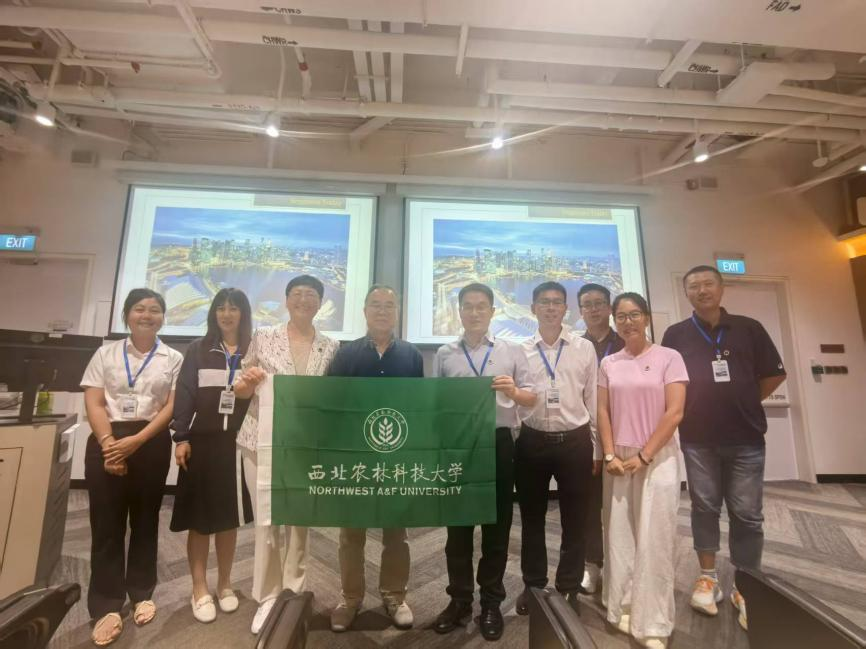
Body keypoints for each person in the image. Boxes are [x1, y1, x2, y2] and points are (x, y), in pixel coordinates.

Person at [661, 265, 786, 631]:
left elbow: (774, 373)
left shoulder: (749, 328)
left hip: (746, 437)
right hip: (697, 438)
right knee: (704, 507)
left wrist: (745, 400)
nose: (702, 291)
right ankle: (708, 578)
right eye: (694, 286)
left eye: (708, 284)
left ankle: (746, 585)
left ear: (721, 288)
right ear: (686, 293)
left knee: (747, 514)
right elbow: (669, 382)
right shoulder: (676, 334)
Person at [233, 275, 340, 634]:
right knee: (266, 519)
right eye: (297, 293)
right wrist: (247, 383)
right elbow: (239, 386)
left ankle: (293, 593)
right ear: (286, 299)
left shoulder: (331, 346)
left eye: (311, 295)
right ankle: (267, 596)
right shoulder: (263, 336)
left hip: (305, 445)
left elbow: (331, 398)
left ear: (320, 303)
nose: (303, 300)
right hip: (259, 441)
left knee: (298, 521)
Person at [432, 283, 536, 641]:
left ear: (493, 311)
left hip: (498, 443)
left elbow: (531, 398)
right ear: (459, 311)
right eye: (468, 306)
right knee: (458, 529)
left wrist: (513, 392)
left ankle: (491, 602)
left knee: (496, 527)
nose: (474, 312)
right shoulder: (445, 353)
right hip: (459, 445)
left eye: (481, 306)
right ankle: (459, 601)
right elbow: (438, 404)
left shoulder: (512, 350)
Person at [80, 288, 183, 647]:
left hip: (150, 441)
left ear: (163, 318)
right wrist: (110, 445)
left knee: (145, 521)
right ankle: (106, 604)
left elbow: (171, 406)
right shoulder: (105, 353)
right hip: (107, 439)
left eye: (155, 310)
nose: (147, 315)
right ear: (126, 314)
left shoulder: (173, 357)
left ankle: (141, 592)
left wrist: (137, 442)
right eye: (139, 309)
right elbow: (94, 401)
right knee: (106, 524)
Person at [326, 284, 424, 633]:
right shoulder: (345, 354)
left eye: (389, 305)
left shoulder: (412, 355)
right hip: (356, 457)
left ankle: (395, 596)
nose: (382, 311)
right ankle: (350, 598)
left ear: (397, 311)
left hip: (396, 455)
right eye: (376, 305)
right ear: (365, 310)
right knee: (351, 534)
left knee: (396, 533)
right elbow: (331, 401)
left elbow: (418, 406)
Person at [598, 292, 688, 649]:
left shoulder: (669, 357)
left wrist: (645, 456)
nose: (628, 322)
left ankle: (653, 623)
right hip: (619, 459)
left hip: (657, 457)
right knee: (618, 536)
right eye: (621, 316)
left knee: (655, 539)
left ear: (647, 318)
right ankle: (622, 605)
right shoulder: (609, 363)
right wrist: (609, 454)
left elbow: (675, 412)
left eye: (634, 314)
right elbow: (603, 411)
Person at [169, 288, 255, 623]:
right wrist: (181, 437)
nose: (226, 314)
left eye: (233, 308)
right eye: (221, 308)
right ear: (213, 313)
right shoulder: (198, 349)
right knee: (200, 520)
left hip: (237, 445)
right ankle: (199, 587)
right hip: (202, 444)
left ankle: (225, 584)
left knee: (228, 519)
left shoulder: (253, 350)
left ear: (243, 314)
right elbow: (185, 395)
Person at [514, 281, 598, 615]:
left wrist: (597, 447)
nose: (551, 307)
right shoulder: (519, 350)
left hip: (575, 441)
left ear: (566, 309)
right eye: (544, 302)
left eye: (557, 302)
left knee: (575, 520)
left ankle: (568, 588)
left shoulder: (583, 348)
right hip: (532, 441)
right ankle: (533, 586)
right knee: (531, 520)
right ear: (533, 308)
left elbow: (593, 398)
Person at [578, 283, 625, 594]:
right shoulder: (573, 346)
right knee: (588, 504)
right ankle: (591, 564)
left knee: (620, 505)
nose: (593, 309)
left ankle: (620, 566)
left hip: (623, 435)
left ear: (609, 307)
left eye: (599, 303)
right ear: (580, 311)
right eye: (587, 304)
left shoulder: (627, 342)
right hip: (584, 436)